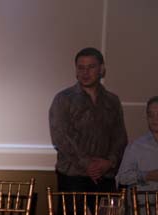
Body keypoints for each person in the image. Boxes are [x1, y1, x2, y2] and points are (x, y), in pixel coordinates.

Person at [49, 47, 128, 193]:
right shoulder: (63, 99)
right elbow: (60, 138)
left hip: (105, 174)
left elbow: (120, 137)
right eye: (81, 68)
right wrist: (87, 164)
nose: (85, 72)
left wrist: (109, 162)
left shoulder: (112, 101)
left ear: (102, 69)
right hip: (73, 175)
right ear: (76, 71)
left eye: (91, 67)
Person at [116, 96, 158, 215]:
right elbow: (120, 179)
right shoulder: (136, 146)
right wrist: (147, 176)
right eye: (150, 115)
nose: (154, 119)